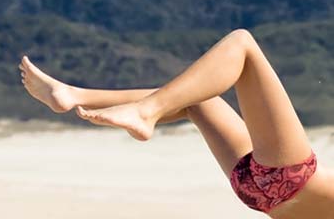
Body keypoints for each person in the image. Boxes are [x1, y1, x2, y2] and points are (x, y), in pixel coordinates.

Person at [19, 28, 334, 218]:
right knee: (197, 100)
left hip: (285, 177)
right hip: (261, 195)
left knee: (242, 44)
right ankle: (74, 94)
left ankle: (144, 112)